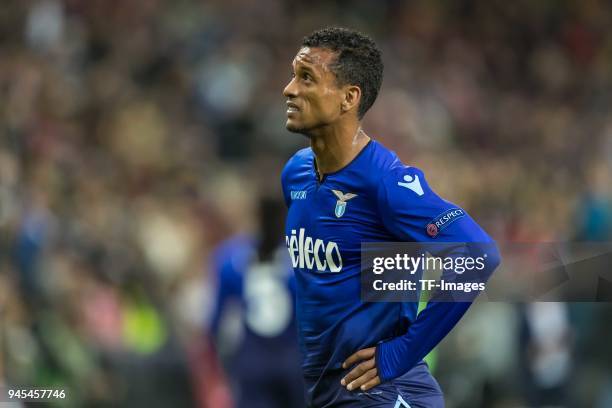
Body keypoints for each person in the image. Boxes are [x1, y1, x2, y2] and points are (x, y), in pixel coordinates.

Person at [280, 27, 500, 407]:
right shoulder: (296, 174)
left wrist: (400, 353)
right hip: (330, 394)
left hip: (384, 392)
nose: (289, 89)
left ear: (349, 97)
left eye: (306, 78)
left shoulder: (386, 183)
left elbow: (477, 255)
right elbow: (366, 273)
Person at [208, 196, 305, 408]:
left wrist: (220, 362)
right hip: (293, 358)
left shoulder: (229, 256)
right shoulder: (300, 255)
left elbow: (215, 321)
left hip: (253, 360)